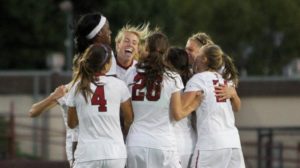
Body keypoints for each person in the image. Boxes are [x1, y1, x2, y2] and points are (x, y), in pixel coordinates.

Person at [125, 32, 201, 168]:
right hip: (163, 142)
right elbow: (177, 114)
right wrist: (194, 104)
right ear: (166, 53)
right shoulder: (172, 77)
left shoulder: (131, 73)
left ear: (146, 49)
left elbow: (127, 113)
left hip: (136, 141)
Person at [67, 44, 133, 168]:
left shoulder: (77, 87)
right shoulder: (119, 85)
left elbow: (71, 124)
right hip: (115, 152)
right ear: (107, 65)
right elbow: (129, 119)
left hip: (87, 154)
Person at [179, 44, 245, 168]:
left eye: (198, 55)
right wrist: (234, 95)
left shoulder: (198, 79)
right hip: (233, 142)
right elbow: (237, 108)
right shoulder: (223, 79)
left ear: (204, 59)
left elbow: (180, 107)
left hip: (211, 143)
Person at [186, 32, 241, 111]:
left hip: (215, 121)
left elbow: (237, 108)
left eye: (190, 50)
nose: (186, 52)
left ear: (202, 52)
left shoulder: (221, 73)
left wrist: (234, 95)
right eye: (186, 49)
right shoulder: (190, 71)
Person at [28, 85, 77, 166]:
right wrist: (54, 96)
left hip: (84, 145)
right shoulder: (67, 89)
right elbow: (33, 111)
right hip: (77, 146)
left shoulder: (102, 85)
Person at [164, 47, 196, 168]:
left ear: (167, 62)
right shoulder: (194, 82)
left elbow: (177, 114)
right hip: (190, 142)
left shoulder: (163, 82)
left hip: (171, 143)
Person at [73, 12, 117, 76]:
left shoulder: (82, 55)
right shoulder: (106, 53)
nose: (110, 32)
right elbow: (112, 82)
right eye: (108, 29)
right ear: (99, 32)